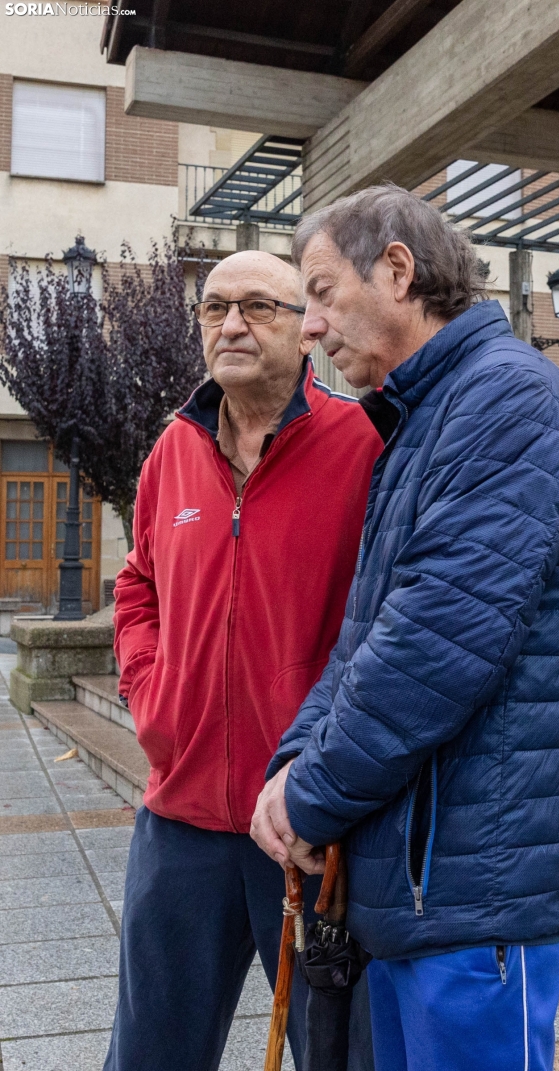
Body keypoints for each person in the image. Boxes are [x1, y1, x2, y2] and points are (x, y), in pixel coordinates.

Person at [251, 186, 559, 1071]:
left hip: (473, 900)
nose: (310, 327)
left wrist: (311, 796)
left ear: (399, 270)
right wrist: (295, 758)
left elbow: (431, 653)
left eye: (324, 292)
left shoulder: (506, 404)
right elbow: (367, 634)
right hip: (423, 891)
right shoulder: (425, 419)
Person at [104, 250, 382, 1071]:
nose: (231, 323)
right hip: (179, 821)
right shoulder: (172, 454)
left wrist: (330, 769)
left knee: (334, 1055)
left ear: (307, 331)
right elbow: (137, 585)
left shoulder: (361, 446)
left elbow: (389, 618)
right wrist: (154, 698)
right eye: (215, 307)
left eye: (259, 306)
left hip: (307, 825)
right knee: (151, 1054)